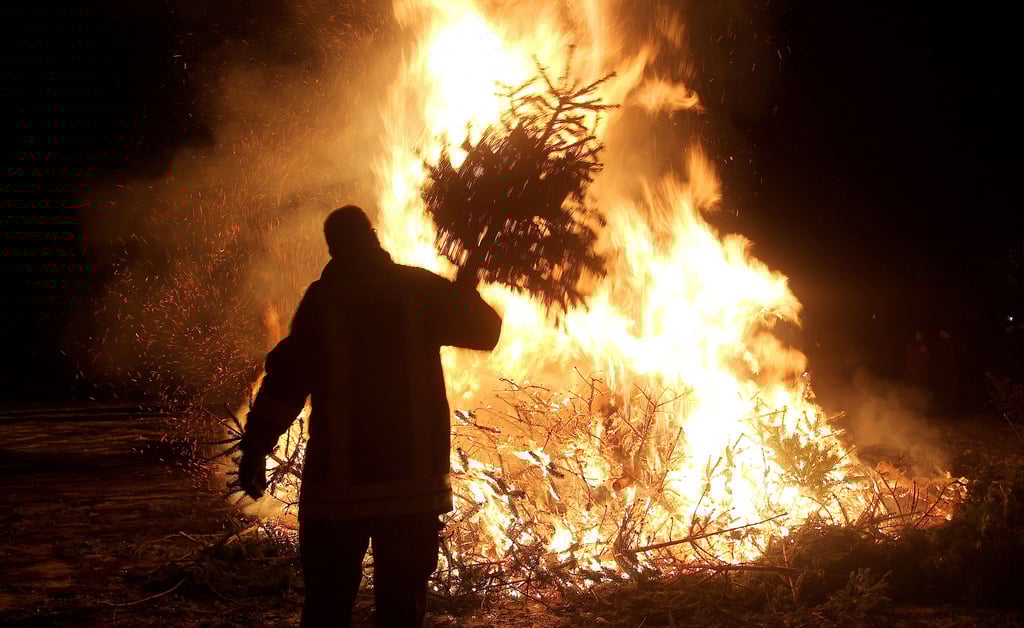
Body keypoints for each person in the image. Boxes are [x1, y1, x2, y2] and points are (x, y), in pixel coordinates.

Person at [237, 205, 502, 627]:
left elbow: (285, 386)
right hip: (412, 490)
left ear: (333, 249)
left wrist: (255, 450)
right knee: (402, 609)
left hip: (339, 489)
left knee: (327, 605)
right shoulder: (418, 289)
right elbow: (486, 331)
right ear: (374, 237)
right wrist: (463, 291)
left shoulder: (322, 302)